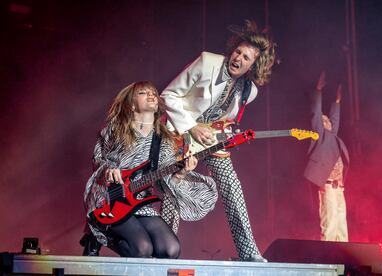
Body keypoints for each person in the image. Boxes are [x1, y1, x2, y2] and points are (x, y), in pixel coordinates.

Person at [161, 20, 277, 262]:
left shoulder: (249, 92)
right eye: (238, 52)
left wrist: (229, 134)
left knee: (233, 188)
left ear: (254, 66)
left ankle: (248, 252)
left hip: (210, 142)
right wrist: (191, 128)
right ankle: (164, 253)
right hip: (179, 133)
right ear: (232, 49)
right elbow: (168, 95)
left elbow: (223, 122)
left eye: (247, 58)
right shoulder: (207, 62)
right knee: (175, 188)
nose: (239, 59)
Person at [82, 81, 218, 258]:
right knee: (142, 249)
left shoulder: (163, 140)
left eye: (153, 92)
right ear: (131, 104)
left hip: (139, 201)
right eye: (143, 93)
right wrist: (109, 169)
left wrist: (181, 173)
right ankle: (95, 236)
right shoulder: (115, 129)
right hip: (109, 197)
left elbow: (163, 180)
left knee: (170, 250)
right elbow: (98, 159)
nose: (151, 95)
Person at [304, 72, 350, 242]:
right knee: (330, 225)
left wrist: (337, 101)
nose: (327, 122)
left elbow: (335, 119)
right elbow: (316, 114)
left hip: (340, 188)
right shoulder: (320, 136)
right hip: (328, 186)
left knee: (342, 227)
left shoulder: (334, 138)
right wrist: (318, 91)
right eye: (323, 121)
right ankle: (329, 259)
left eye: (327, 121)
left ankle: (345, 260)